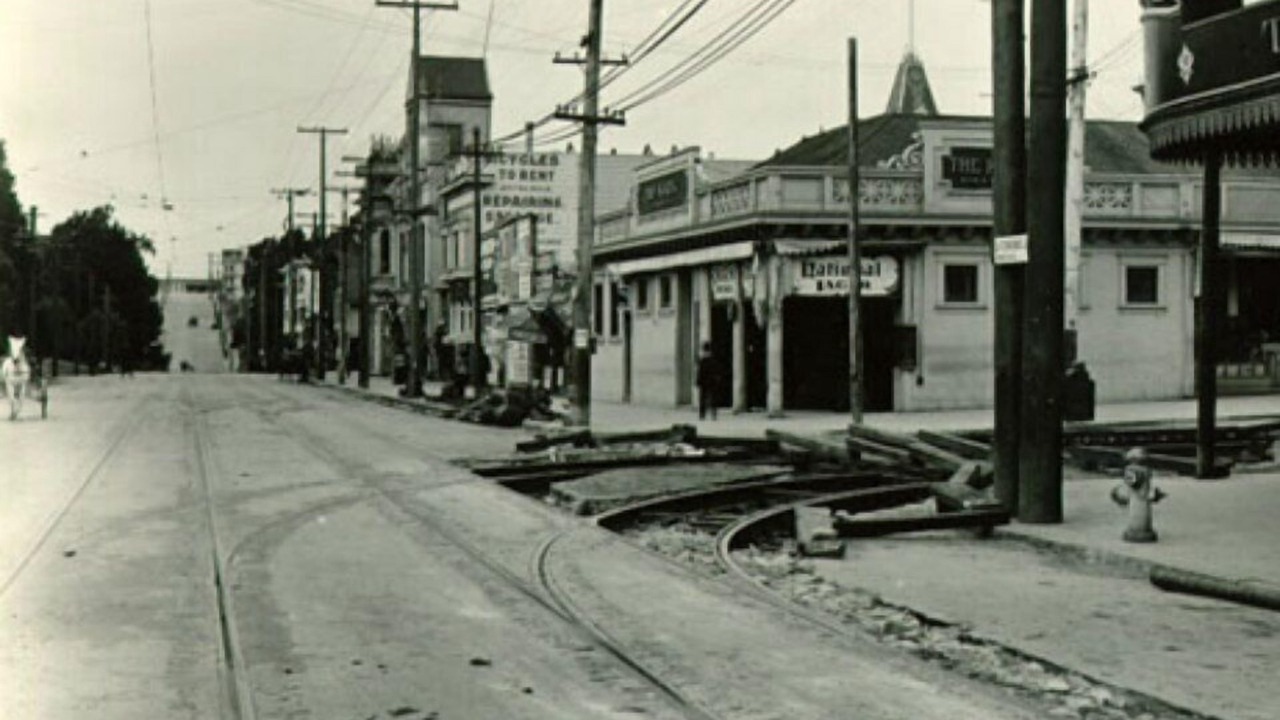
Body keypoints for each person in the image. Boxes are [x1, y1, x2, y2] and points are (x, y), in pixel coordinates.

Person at [696, 341, 719, 420]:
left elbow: (700, 372)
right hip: (712, 381)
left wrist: (698, 381)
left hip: (704, 382)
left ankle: (702, 414)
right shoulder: (713, 360)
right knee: (713, 398)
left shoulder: (702, 360)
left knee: (703, 398)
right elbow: (716, 371)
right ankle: (713, 414)